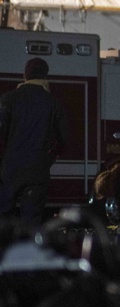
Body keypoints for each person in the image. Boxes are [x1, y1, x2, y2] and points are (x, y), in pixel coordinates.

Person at [0, 58, 69, 226]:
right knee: (31, 222)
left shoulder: (8, 99)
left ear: (25, 75)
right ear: (45, 76)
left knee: (3, 220)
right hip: (37, 171)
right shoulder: (52, 102)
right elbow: (63, 138)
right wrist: (50, 158)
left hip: (10, 170)